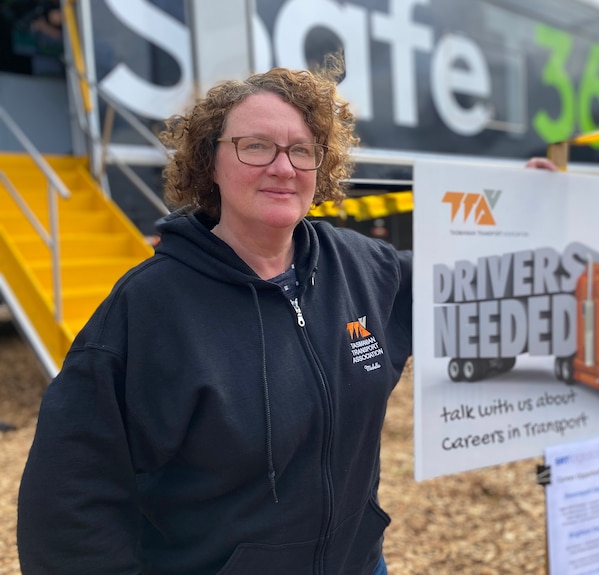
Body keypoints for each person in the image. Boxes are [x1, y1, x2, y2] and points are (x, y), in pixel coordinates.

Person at [17, 58, 558, 574]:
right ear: (210, 161)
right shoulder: (148, 309)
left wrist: (524, 212)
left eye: (303, 150)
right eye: (256, 146)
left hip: (360, 565)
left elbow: (466, 284)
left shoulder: (362, 267)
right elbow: (69, 501)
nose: (283, 167)